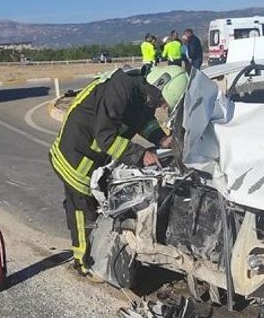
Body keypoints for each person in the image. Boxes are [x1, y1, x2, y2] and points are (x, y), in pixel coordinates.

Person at [49, 66, 189, 277]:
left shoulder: (139, 91)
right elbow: (105, 136)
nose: (161, 106)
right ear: (158, 87)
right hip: (75, 157)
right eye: (163, 102)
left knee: (96, 205)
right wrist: (141, 155)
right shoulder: (120, 91)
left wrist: (162, 138)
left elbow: (141, 120)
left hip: (92, 157)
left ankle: (97, 250)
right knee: (82, 209)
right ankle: (83, 262)